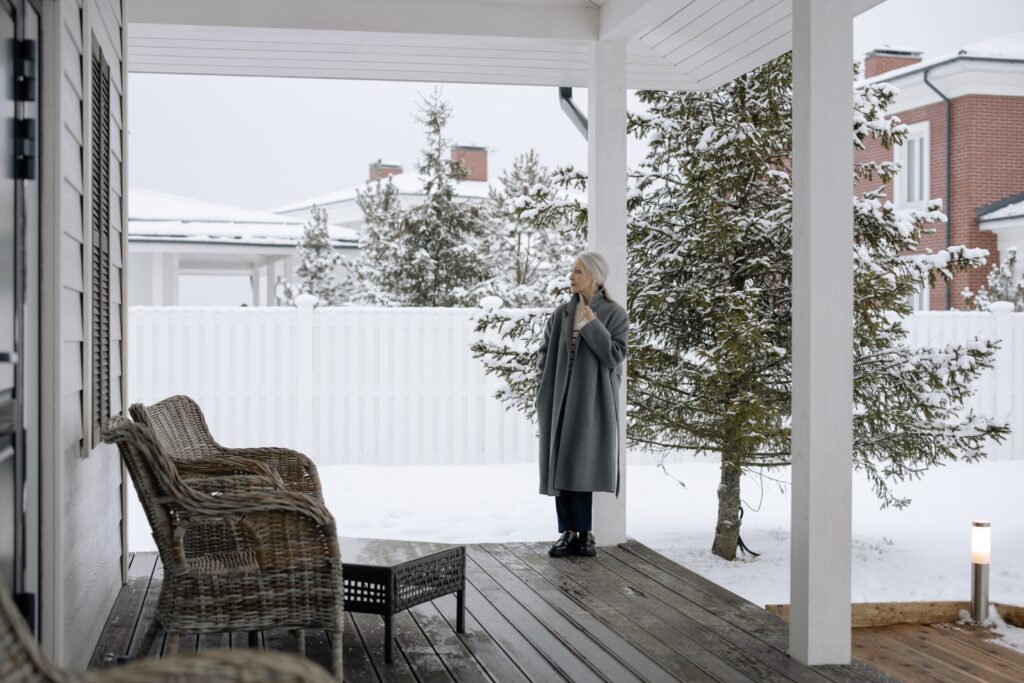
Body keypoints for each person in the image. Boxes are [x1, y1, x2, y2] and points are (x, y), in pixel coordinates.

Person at [535, 252, 628, 557]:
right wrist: (542, 389)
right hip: (558, 398)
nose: (571, 276)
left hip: (591, 400)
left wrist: (593, 326)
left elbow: (614, 356)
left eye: (577, 271)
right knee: (560, 465)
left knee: (582, 465)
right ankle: (567, 532)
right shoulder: (561, 313)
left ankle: (584, 533)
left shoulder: (614, 314)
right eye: (572, 270)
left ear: (594, 277)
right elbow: (544, 353)